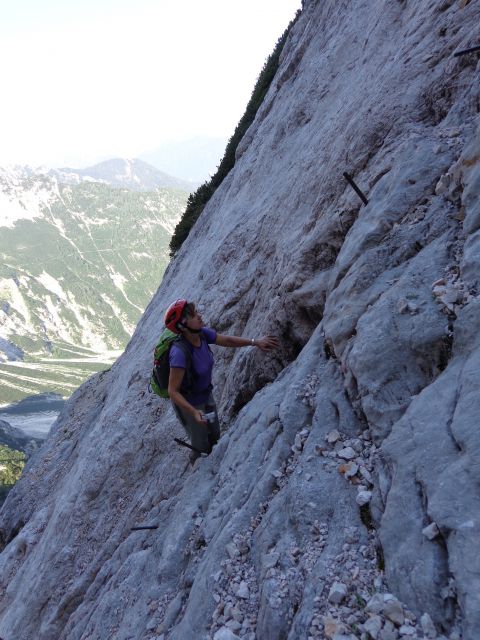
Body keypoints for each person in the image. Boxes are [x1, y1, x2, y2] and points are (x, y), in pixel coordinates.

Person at [165, 299, 279, 463]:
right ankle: (198, 465)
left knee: (215, 432)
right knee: (201, 443)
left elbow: (226, 340)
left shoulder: (202, 334)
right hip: (191, 405)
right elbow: (172, 391)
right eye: (193, 315)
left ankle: (215, 459)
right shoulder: (179, 353)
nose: (199, 315)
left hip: (206, 396)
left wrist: (255, 342)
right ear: (183, 325)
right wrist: (193, 412)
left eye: (196, 312)